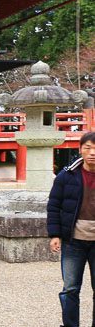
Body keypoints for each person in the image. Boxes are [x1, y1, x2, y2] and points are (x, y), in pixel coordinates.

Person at [48, 132, 95, 327]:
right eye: (88, 148)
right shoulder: (67, 175)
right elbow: (54, 205)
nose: (92, 153)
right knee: (70, 288)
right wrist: (55, 235)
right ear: (80, 150)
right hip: (72, 240)